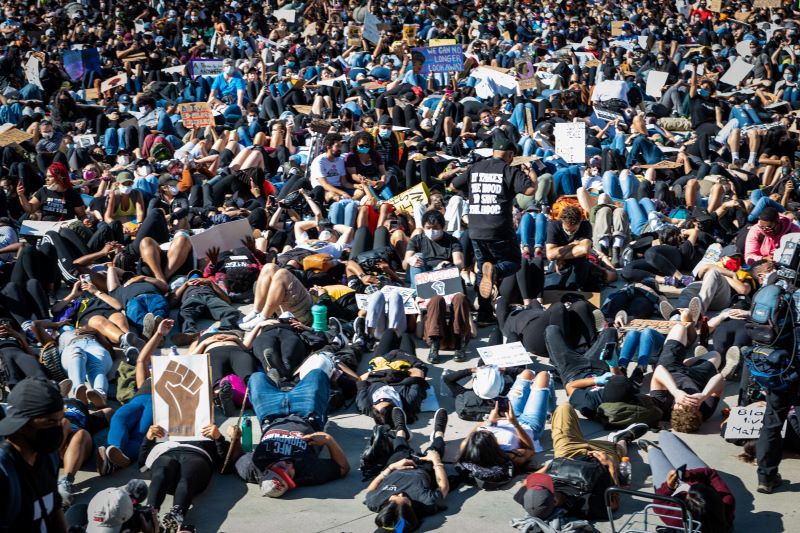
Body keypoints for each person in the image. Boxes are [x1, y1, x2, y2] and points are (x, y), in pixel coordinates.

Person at [451, 137, 537, 320]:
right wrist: (531, 174)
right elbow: (530, 191)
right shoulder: (508, 170)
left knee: (483, 272)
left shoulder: (475, 167)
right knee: (514, 262)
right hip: (499, 229)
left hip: (475, 230)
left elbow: (453, 185)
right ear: (510, 154)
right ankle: (496, 271)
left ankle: (484, 314)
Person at [364, 407, 449, 532]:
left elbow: (370, 490)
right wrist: (437, 462)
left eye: (393, 497)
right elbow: (443, 487)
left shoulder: (375, 502)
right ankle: (439, 433)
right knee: (436, 449)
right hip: (423, 468)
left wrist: (391, 468)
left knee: (399, 449)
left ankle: (401, 430)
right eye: (405, 498)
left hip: (397, 466)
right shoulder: (426, 503)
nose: (400, 493)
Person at [0, 377, 68, 531]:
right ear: (21, 425)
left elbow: (54, 508)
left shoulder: (48, 458)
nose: (58, 429)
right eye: (50, 422)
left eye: (60, 420)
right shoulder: (4, 473)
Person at [641, 433, 734, 532]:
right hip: (683, 482)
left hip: (671, 490)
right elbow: (711, 473)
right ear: (715, 498)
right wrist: (690, 475)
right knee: (659, 449)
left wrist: (668, 487)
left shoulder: (676, 519)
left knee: (664, 437)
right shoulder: (727, 502)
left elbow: (658, 501)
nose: (686, 487)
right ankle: (652, 449)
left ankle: (651, 449)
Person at [545, 205, 594, 290]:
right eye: (567, 230)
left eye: (573, 230)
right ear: (562, 221)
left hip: (577, 262)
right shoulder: (554, 226)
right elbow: (550, 255)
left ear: (580, 221)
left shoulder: (585, 225)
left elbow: (584, 250)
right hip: (559, 264)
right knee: (551, 288)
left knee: (581, 264)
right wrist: (571, 245)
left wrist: (560, 256)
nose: (570, 232)